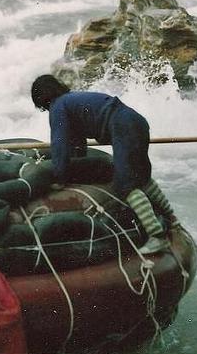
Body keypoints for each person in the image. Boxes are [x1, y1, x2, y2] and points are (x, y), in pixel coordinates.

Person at [31, 75, 176, 255]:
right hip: (135, 121)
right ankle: (173, 221)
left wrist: (60, 178)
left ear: (41, 99)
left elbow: (59, 145)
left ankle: (157, 236)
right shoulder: (71, 100)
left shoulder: (58, 107)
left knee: (125, 186)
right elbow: (77, 144)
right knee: (142, 179)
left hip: (122, 126)